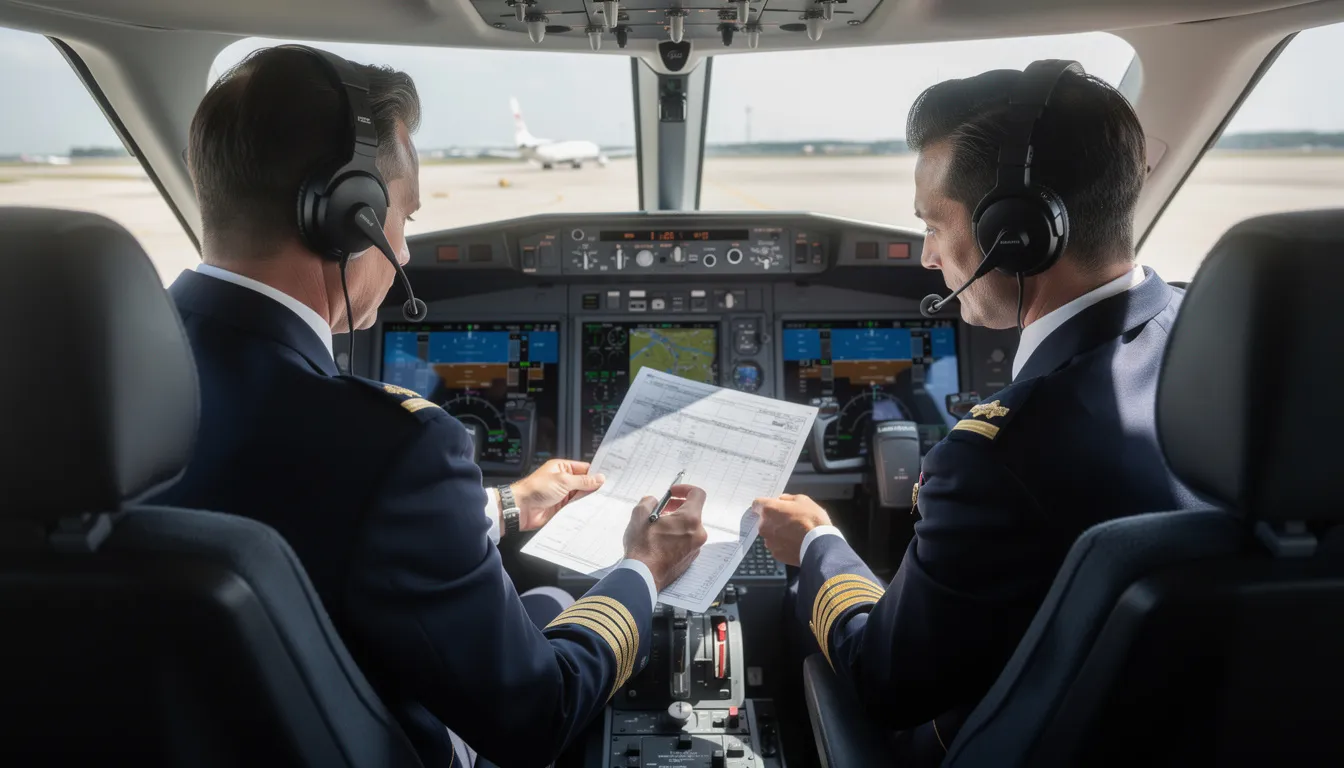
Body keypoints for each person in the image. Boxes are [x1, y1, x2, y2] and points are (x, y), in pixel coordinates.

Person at [153, 45, 708, 768]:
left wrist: (505, 507)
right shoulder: (393, 447)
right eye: (403, 219)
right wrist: (642, 567)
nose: (405, 255)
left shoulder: (99, 389)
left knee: (540, 611)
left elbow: (315, 528)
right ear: (348, 217)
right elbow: (539, 713)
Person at [753, 62, 1202, 765]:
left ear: (1017, 234)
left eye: (934, 226)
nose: (929, 258)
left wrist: (817, 542)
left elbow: (885, 682)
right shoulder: (1215, 344)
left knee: (795, 608)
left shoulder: (996, 456)